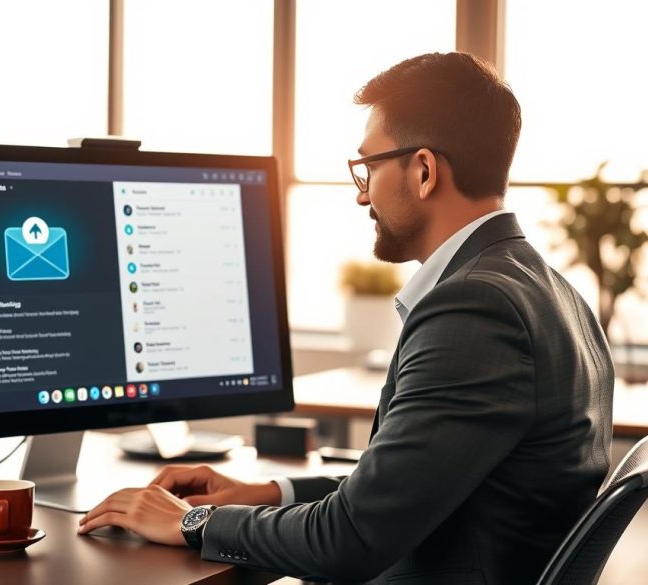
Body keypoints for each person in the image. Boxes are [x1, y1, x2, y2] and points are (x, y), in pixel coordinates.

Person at [78, 52, 614, 584]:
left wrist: (194, 521)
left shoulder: (475, 309)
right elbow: (399, 492)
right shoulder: (548, 287)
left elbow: (351, 538)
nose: (362, 195)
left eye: (369, 168)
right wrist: (265, 493)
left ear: (424, 170)